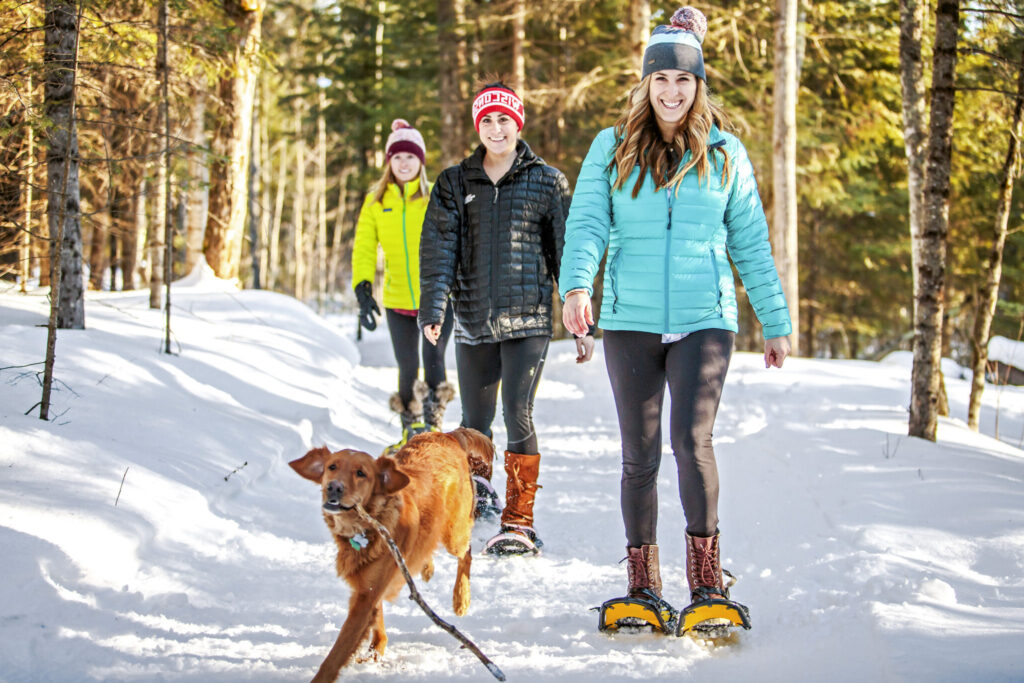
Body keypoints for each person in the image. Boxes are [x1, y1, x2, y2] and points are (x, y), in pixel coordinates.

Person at [560, 7, 792, 631]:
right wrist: (578, 284)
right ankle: (642, 585)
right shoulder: (612, 147)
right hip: (629, 318)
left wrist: (774, 319)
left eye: (683, 81)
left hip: (704, 318)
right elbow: (587, 224)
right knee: (639, 456)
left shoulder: (724, 152)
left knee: (691, 443)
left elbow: (750, 241)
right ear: (645, 84)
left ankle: (707, 580)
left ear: (699, 85)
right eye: (660, 80)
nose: (671, 91)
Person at [418, 80, 584, 556]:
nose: (496, 128)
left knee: (518, 413)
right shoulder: (454, 182)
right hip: (472, 322)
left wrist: (580, 316)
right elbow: (439, 249)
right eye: (487, 120)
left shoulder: (547, 181)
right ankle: (477, 501)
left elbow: (564, 253)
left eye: (503, 119)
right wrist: (435, 307)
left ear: (518, 124)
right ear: (478, 126)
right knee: (474, 424)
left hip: (528, 322)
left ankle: (519, 519)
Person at [352, 119, 456, 446]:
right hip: (397, 299)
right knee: (407, 364)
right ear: (389, 161)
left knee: (434, 359)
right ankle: (410, 431)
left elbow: (454, 240)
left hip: (436, 300)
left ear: (421, 161)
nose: (404, 163)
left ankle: (434, 427)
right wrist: (363, 287)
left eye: (410, 157)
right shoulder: (376, 201)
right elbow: (364, 247)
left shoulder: (434, 198)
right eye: (397, 157)